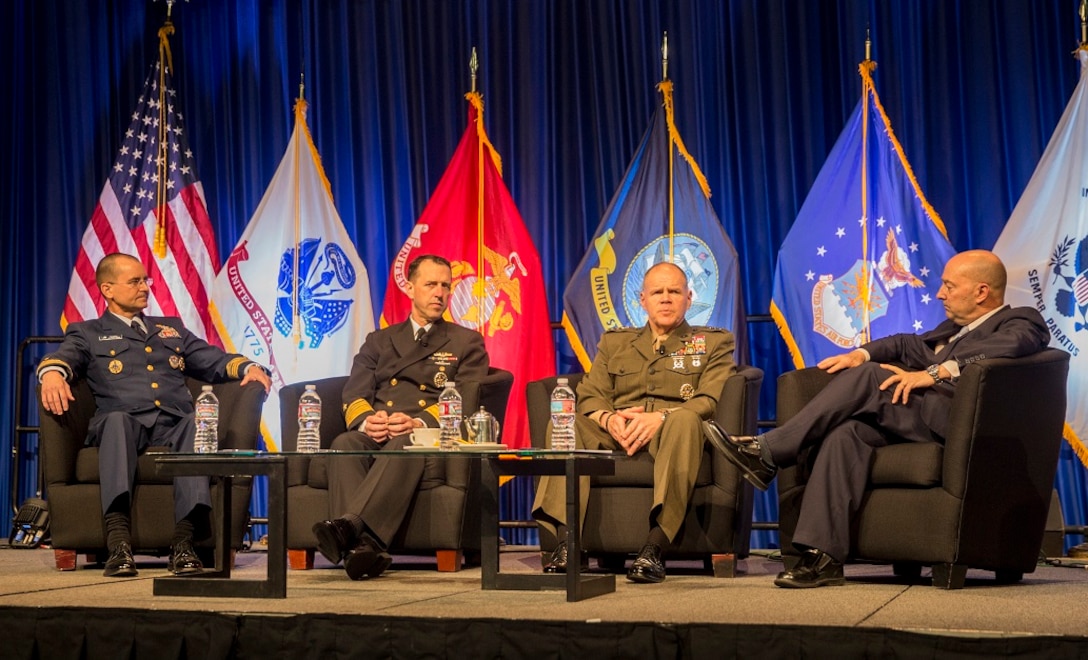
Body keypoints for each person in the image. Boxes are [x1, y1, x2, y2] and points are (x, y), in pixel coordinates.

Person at [709, 249, 1050, 588]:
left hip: (960, 427)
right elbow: (904, 344)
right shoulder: (950, 329)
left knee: (871, 378)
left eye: (949, 285)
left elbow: (1014, 344)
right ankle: (822, 557)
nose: (939, 293)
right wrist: (861, 353)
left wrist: (935, 372)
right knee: (846, 433)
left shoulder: (1021, 320)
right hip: (916, 419)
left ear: (981, 292)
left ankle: (767, 453)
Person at [38, 253, 272, 578]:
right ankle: (118, 543)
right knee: (117, 421)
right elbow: (65, 356)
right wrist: (51, 373)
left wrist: (249, 366)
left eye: (145, 280)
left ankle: (184, 542)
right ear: (107, 289)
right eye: (134, 281)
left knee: (197, 422)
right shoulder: (88, 332)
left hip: (173, 423)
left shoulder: (170, 329)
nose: (144, 287)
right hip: (123, 422)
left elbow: (213, 359)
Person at [532, 261, 736, 583]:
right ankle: (568, 544)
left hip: (671, 432)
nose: (666, 298)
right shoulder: (615, 343)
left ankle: (654, 548)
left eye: (674, 291)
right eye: (658, 292)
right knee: (565, 424)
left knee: (686, 421)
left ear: (689, 297)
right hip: (618, 430)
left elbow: (710, 399)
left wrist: (663, 417)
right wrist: (607, 418)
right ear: (643, 299)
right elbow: (590, 394)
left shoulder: (713, 343)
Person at [312, 254, 489, 580]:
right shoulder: (379, 341)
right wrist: (368, 421)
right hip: (379, 429)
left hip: (426, 434)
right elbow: (354, 394)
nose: (440, 293)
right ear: (410, 288)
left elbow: (464, 397)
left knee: (408, 442)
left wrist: (419, 422)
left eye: (446, 286)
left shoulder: (465, 341)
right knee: (345, 442)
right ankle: (363, 549)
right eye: (431, 284)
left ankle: (347, 529)